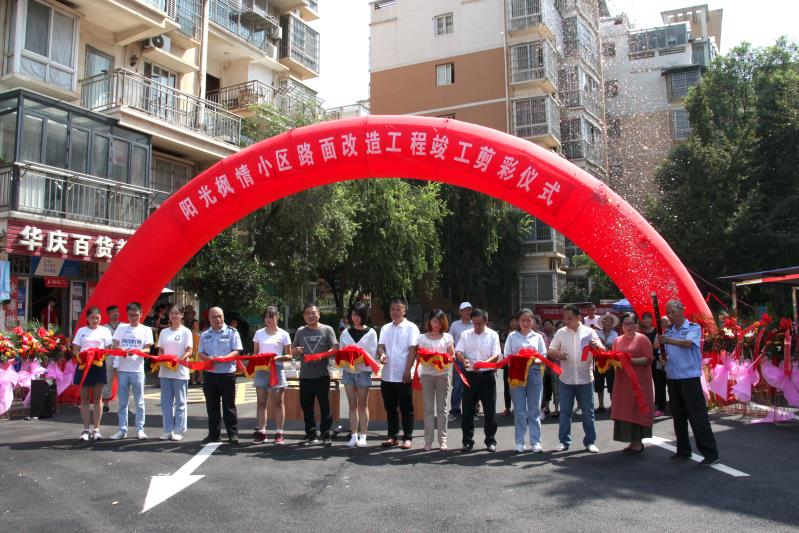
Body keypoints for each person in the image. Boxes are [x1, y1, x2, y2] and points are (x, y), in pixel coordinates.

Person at [657, 300, 719, 465]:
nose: (670, 315)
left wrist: (667, 341)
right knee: (678, 417)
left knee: (697, 417)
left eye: (673, 311)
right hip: (673, 378)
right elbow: (664, 352)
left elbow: (688, 343)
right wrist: (663, 359)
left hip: (689, 379)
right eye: (668, 312)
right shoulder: (669, 332)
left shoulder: (693, 327)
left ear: (681, 310)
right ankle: (683, 450)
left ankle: (710, 453)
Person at [548, 304, 604, 453]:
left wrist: (596, 346)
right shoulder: (561, 332)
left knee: (588, 412)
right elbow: (551, 351)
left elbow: (602, 350)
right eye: (565, 318)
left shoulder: (589, 332)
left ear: (578, 317)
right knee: (565, 412)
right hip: (566, 379)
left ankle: (590, 442)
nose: (566, 321)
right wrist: (559, 355)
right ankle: (564, 441)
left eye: (570, 318)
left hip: (585, 379)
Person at [292, 303, 338, 446]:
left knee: (325, 407)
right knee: (307, 407)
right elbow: (293, 351)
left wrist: (322, 355)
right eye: (307, 313)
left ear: (319, 314)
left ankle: (326, 434)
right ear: (304, 316)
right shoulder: (300, 331)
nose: (311, 316)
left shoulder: (327, 329)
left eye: (313, 313)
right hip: (305, 376)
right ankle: (311, 434)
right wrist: (297, 351)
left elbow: (335, 348)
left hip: (322, 375)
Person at [456, 308, 501, 452]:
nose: (476, 326)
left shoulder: (493, 335)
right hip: (470, 377)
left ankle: (490, 440)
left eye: (479, 323)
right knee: (467, 410)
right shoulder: (466, 334)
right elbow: (458, 351)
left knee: (490, 410)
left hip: (487, 376)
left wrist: (483, 363)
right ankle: (467, 441)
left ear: (486, 321)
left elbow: (496, 355)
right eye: (474, 323)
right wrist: (463, 360)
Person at [377, 298, 420, 449]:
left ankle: (407, 437)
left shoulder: (411, 328)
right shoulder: (385, 328)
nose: (395, 312)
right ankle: (392, 436)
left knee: (406, 408)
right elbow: (380, 346)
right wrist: (382, 354)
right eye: (392, 309)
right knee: (390, 408)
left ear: (404, 311)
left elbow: (413, 350)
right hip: (387, 375)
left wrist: (408, 370)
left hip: (403, 375)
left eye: (398, 309)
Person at [198, 307, 243, 444]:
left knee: (229, 405)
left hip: (227, 373)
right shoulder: (205, 334)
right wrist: (209, 359)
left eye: (220, 316)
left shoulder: (232, 332)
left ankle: (232, 434)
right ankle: (213, 434)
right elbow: (200, 353)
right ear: (209, 319)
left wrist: (224, 358)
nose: (218, 319)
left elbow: (237, 351)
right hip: (210, 374)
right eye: (214, 317)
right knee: (212, 406)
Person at [505, 309, 547, 453]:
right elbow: (507, 355)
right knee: (520, 411)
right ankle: (519, 442)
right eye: (523, 320)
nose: (525, 323)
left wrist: (532, 360)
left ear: (533, 321)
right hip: (517, 374)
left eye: (528, 320)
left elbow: (543, 356)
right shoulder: (512, 336)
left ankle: (535, 441)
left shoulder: (538, 337)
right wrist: (519, 360)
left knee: (534, 410)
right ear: (518, 321)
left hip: (534, 372)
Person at [611, 312, 654, 454]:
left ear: (636, 324)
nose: (628, 327)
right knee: (626, 409)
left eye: (631, 324)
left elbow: (648, 358)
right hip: (623, 382)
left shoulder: (642, 339)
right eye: (625, 324)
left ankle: (638, 442)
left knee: (637, 409)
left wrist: (630, 361)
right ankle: (631, 440)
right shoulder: (617, 340)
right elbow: (614, 358)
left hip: (639, 381)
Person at [110, 302, 154, 440]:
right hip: (122, 370)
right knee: (123, 402)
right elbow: (114, 345)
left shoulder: (146, 329)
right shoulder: (122, 327)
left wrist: (137, 351)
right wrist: (121, 350)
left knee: (139, 401)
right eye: (130, 315)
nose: (133, 318)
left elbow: (148, 349)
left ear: (141, 314)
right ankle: (122, 430)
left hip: (137, 370)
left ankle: (140, 429)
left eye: (135, 315)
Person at [339, 302, 377, 448]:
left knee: (363, 404)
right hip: (348, 372)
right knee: (352, 405)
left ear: (364, 316)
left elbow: (372, 354)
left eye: (359, 315)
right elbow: (341, 351)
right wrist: (348, 353)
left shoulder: (371, 332)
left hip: (363, 372)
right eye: (354, 314)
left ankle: (363, 435)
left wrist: (358, 354)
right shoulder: (345, 332)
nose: (356, 318)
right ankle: (354, 435)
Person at [252, 306, 292, 445]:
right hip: (261, 369)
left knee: (278, 402)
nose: (269, 320)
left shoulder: (283, 334)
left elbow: (289, 355)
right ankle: (262, 432)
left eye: (272, 317)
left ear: (277, 317)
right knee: (261, 402)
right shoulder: (259, 333)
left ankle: (279, 432)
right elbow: (255, 352)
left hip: (277, 368)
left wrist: (278, 358)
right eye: (266, 317)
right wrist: (257, 357)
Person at [73, 307, 113, 441]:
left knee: (97, 398)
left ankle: (96, 429)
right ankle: (86, 429)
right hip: (84, 366)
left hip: (98, 366)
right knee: (84, 399)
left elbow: (108, 350)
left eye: (97, 318)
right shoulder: (81, 331)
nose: (95, 320)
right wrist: (81, 356)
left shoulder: (105, 331)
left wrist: (99, 355)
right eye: (92, 318)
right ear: (87, 318)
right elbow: (75, 349)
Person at [417, 308, 454, 451]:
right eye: (434, 321)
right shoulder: (422, 338)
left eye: (439, 322)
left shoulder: (447, 337)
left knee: (442, 408)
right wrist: (429, 357)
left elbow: (452, 356)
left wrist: (442, 358)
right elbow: (419, 356)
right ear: (429, 322)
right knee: (428, 409)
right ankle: (428, 440)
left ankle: (442, 440)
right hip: (427, 375)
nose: (437, 325)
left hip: (443, 375)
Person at [157, 304, 193, 441]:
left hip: (180, 371)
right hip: (165, 371)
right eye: (171, 313)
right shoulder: (164, 332)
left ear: (182, 315)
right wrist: (161, 358)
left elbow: (189, 350)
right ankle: (167, 430)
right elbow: (160, 349)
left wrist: (178, 360)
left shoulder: (186, 332)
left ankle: (178, 430)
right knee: (166, 402)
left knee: (180, 402)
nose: (173, 316)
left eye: (177, 313)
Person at [448, 302, 473, 421]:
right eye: (465, 310)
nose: (467, 312)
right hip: (458, 359)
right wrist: (452, 354)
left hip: (472, 359)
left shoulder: (474, 323)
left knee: (472, 385)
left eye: (469, 310)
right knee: (457, 385)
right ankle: (455, 410)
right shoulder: (455, 325)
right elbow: (450, 341)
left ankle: (472, 410)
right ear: (460, 312)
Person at [640, 312, 667, 416]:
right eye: (644, 318)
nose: (646, 320)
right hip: (643, 361)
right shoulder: (640, 332)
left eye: (648, 318)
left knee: (659, 383)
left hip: (656, 361)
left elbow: (657, 347)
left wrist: (654, 355)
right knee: (644, 384)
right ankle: (645, 404)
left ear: (652, 320)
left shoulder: (657, 331)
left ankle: (660, 406)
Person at [595, 313, 619, 413]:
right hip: (599, 360)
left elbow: (616, 347)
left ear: (612, 323)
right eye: (606, 320)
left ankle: (613, 405)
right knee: (599, 383)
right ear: (603, 322)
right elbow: (594, 345)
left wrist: (606, 344)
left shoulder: (615, 334)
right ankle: (601, 405)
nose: (608, 322)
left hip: (611, 360)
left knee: (611, 382)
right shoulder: (597, 333)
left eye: (610, 321)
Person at [102, 305, 121, 414]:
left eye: (117, 312)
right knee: (107, 380)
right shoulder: (104, 328)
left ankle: (124, 405)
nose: (115, 314)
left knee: (122, 381)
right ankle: (105, 405)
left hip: (121, 356)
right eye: (113, 312)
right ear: (108, 314)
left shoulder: (124, 326)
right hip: (109, 356)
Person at [498, 317, 518, 417]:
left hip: (519, 363)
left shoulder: (520, 333)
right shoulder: (504, 334)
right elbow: (502, 348)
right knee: (507, 385)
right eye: (512, 320)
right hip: (507, 362)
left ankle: (517, 407)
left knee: (518, 385)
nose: (514, 322)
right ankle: (507, 407)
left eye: (515, 320)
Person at [541, 319, 560, 418]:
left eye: (549, 324)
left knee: (556, 388)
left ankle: (556, 408)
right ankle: (546, 407)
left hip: (555, 366)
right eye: (545, 325)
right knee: (546, 387)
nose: (547, 326)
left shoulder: (557, 336)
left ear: (553, 326)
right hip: (544, 366)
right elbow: (544, 350)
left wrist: (552, 354)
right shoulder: (541, 336)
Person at [189, 319, 202, 386]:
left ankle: (200, 379)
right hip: (193, 351)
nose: (196, 325)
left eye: (197, 324)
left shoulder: (201, 333)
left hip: (199, 351)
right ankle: (193, 380)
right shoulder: (190, 333)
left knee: (200, 365)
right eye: (194, 324)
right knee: (193, 366)